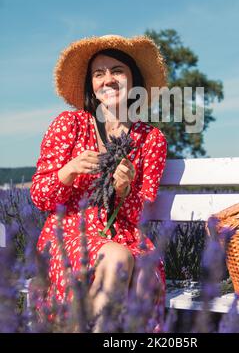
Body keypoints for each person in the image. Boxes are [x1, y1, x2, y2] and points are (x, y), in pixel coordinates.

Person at [30, 34, 168, 333]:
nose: (108, 80)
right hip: (69, 234)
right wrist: (68, 171)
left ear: (134, 80)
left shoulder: (151, 139)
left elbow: (140, 215)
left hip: (128, 238)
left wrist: (125, 189)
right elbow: (40, 197)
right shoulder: (70, 124)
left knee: (141, 272)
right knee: (117, 258)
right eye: (99, 73)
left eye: (118, 71)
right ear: (91, 84)